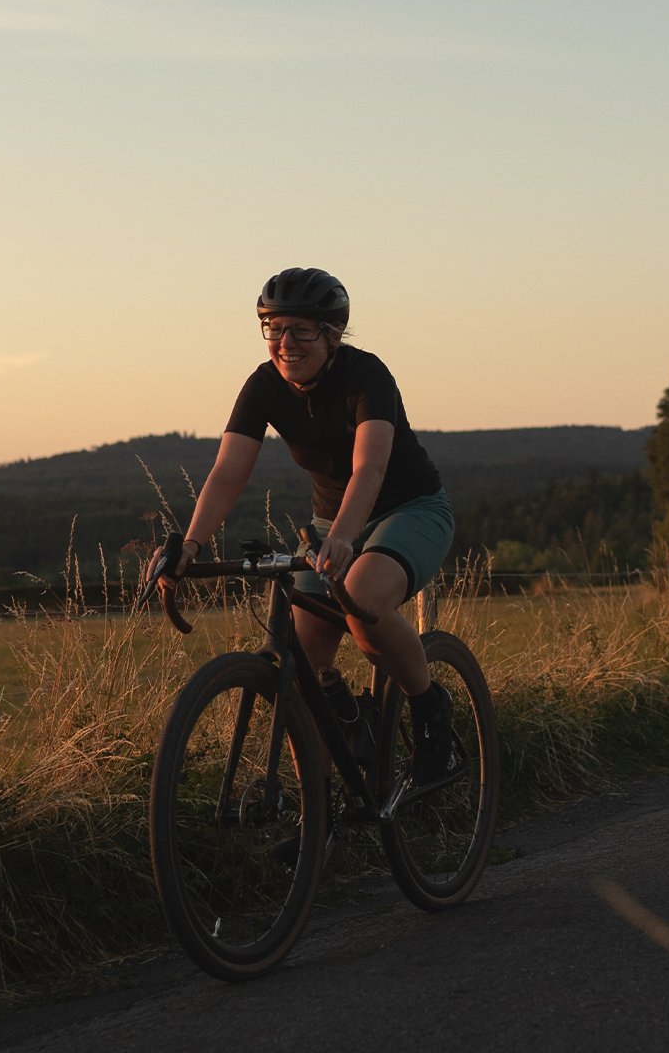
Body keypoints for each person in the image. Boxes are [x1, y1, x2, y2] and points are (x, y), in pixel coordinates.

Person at [150, 266, 457, 784]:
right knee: (304, 659)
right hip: (329, 523)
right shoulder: (264, 385)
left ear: (333, 335)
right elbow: (228, 471)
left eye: (301, 330)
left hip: (410, 509)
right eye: (274, 328)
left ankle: (430, 711)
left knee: (364, 604)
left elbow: (370, 469)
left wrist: (342, 537)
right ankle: (319, 807)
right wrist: (192, 544)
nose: (285, 342)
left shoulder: (367, 376)